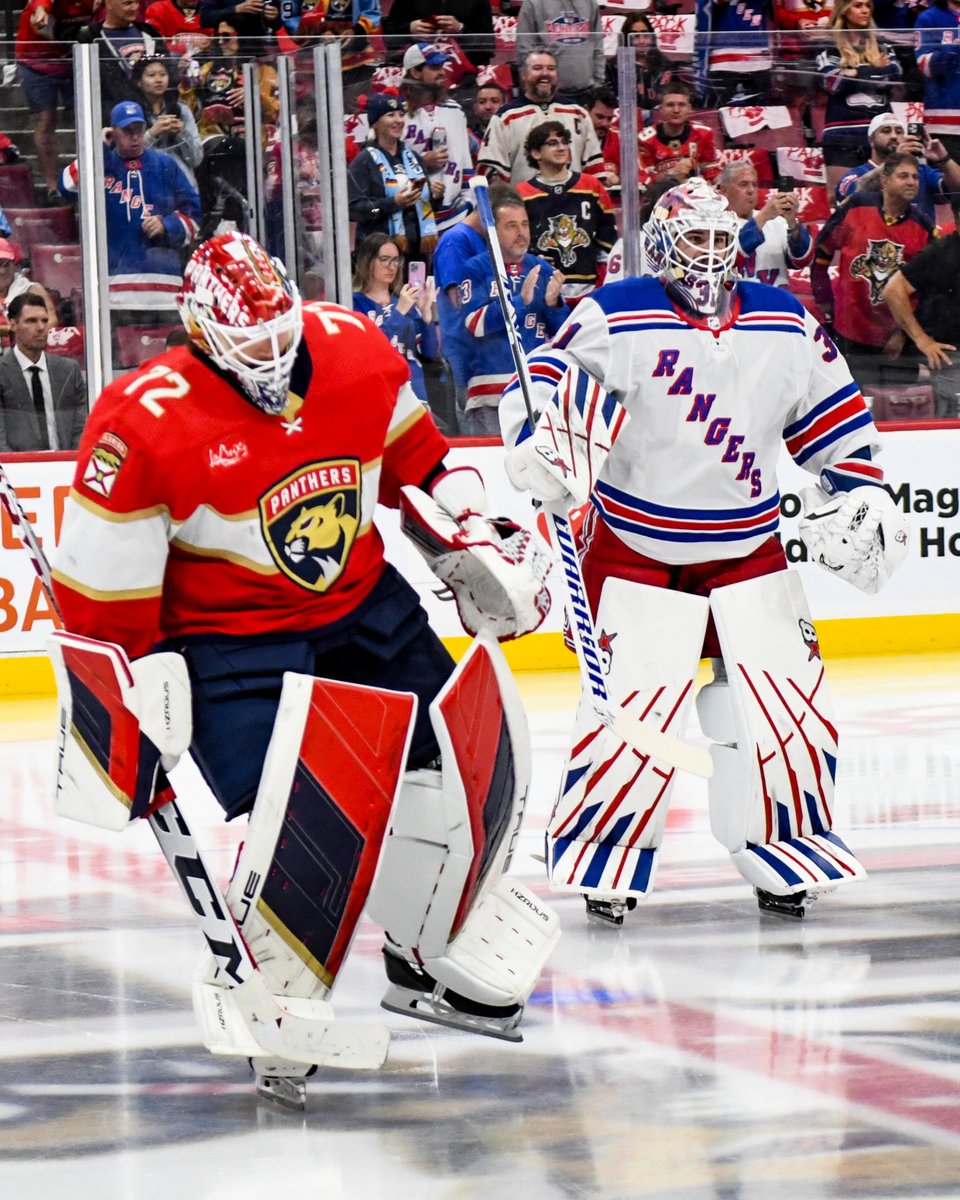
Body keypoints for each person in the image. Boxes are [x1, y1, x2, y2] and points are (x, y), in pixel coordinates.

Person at [50, 230, 558, 1104]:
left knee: (462, 762)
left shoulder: (353, 347)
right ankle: (282, 985)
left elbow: (421, 463)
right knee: (304, 813)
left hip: (362, 601)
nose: (271, 357)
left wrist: (471, 533)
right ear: (200, 331)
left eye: (280, 331)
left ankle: (429, 948)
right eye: (248, 342)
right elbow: (101, 594)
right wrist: (137, 683)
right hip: (231, 637)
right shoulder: (141, 420)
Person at [500, 176, 908, 924]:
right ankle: (609, 855)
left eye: (724, 240)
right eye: (696, 240)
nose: (711, 256)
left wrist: (860, 487)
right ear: (661, 246)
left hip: (746, 541)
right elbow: (549, 386)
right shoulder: (615, 313)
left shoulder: (784, 320)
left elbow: (833, 413)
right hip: (633, 541)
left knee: (781, 703)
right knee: (637, 704)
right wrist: (537, 436)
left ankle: (786, 844)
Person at [58, 101, 202, 313]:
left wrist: (168, 225)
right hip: (114, 292)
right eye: (127, 131)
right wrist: (97, 149)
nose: (135, 136)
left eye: (139, 130)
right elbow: (65, 188)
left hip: (165, 290)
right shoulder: (100, 165)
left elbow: (195, 216)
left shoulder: (165, 164)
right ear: (113, 132)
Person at [811, 152, 935, 386]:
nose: (911, 182)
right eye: (903, 176)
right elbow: (822, 254)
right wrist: (826, 303)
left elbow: (928, 292)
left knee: (897, 408)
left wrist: (903, 333)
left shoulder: (924, 228)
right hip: (850, 331)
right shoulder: (856, 208)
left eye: (915, 177)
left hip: (896, 340)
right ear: (885, 180)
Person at [459, 186, 567, 433]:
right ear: (493, 232)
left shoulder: (542, 269)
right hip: (491, 394)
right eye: (511, 226)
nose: (521, 233)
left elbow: (564, 337)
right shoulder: (476, 268)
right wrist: (520, 301)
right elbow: (474, 325)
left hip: (539, 390)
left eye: (525, 224)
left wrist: (554, 305)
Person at [517, 120, 617, 302]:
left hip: (589, 289)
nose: (562, 148)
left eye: (565, 142)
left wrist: (603, 282)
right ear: (536, 153)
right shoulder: (522, 194)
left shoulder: (591, 186)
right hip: (542, 290)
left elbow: (607, 237)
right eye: (553, 143)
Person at [882, 195, 960, 417]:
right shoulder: (940, 253)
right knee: (952, 435)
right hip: (953, 359)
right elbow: (893, 291)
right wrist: (922, 339)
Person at [477, 49, 603, 185]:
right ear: (524, 74)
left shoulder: (577, 112)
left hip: (573, 203)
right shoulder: (505, 117)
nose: (545, 73)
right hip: (524, 204)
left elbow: (594, 169)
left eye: (551, 68)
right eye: (537, 68)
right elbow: (491, 173)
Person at [816, 0, 902, 195]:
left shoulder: (881, 43)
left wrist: (853, 72)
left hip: (881, 134)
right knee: (841, 197)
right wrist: (876, 69)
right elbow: (832, 83)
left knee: (886, 196)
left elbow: (895, 74)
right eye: (857, 5)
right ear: (844, 10)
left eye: (867, 6)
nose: (864, 10)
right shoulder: (829, 45)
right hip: (841, 134)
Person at [348, 92, 443, 264]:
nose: (398, 120)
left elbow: (424, 208)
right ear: (375, 123)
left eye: (401, 114)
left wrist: (435, 197)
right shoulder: (364, 161)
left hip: (415, 253)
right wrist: (393, 204)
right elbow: (354, 210)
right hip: (378, 255)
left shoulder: (413, 158)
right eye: (390, 115)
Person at [14, 0, 95, 201]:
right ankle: (52, 187)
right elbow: (40, 3)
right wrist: (41, 11)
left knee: (86, 116)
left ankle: (88, 177)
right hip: (36, 61)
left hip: (74, 57)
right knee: (46, 119)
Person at [352, 232, 440, 408]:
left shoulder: (405, 301)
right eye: (385, 259)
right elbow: (371, 349)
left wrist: (426, 316)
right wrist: (399, 312)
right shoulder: (355, 303)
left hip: (415, 394)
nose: (392, 266)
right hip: (378, 394)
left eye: (396, 260)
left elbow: (429, 353)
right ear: (368, 261)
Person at [399, 43, 475, 231]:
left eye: (442, 67)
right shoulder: (397, 115)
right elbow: (388, 168)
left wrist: (468, 203)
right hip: (412, 217)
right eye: (434, 67)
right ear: (415, 72)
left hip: (455, 216)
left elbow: (464, 161)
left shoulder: (455, 110)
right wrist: (422, 163)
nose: (442, 72)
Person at [0, 292, 86, 451]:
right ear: (12, 325)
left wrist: (72, 465)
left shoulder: (69, 371)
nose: (41, 327)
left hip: (65, 468)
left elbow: (80, 429)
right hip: (16, 471)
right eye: (31, 321)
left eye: (44, 321)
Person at [836, 112, 960, 221]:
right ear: (871, 141)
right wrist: (895, 160)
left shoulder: (922, 172)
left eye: (899, 131)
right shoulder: (854, 176)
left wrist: (944, 160)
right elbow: (854, 196)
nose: (894, 136)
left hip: (920, 244)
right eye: (886, 131)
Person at [716, 159, 814, 288]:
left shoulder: (778, 222)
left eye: (755, 184)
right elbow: (728, 259)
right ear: (724, 190)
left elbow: (803, 260)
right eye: (744, 184)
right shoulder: (714, 224)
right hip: (736, 303)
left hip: (775, 303)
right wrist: (764, 216)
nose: (751, 190)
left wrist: (792, 224)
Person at [77, 0, 169, 121]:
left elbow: (166, 65)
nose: (134, 7)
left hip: (151, 113)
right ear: (108, 4)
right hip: (110, 114)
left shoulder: (150, 32)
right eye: (127, 3)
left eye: (136, 2)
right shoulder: (90, 36)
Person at [637, 80, 721, 193]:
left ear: (689, 109)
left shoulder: (704, 134)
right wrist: (672, 173)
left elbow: (713, 173)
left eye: (681, 105)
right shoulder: (644, 139)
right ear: (660, 109)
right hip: (658, 199)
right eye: (670, 105)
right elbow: (644, 180)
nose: (676, 110)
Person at [515, 0, 606, 103]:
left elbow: (598, 47)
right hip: (548, 95)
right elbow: (524, 50)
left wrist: (598, 84)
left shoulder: (590, 3)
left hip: (587, 93)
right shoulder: (533, 3)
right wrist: (534, 90)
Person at [134, 54, 203, 187]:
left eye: (162, 74)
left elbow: (196, 160)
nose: (159, 80)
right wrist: (152, 134)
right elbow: (128, 156)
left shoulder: (181, 110)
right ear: (139, 82)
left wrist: (182, 133)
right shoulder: (132, 112)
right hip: (146, 185)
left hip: (182, 186)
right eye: (151, 75)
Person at [914, 0, 960, 167]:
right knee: (946, 188)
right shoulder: (929, 18)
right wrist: (955, 48)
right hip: (945, 125)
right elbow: (925, 66)